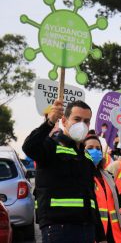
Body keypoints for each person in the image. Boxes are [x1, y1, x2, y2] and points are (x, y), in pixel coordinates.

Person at [22, 100, 97, 243]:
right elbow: (29, 147)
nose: (82, 124)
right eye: (77, 119)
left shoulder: (86, 155)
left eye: (86, 121)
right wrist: (49, 122)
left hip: (87, 227)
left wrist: (99, 234)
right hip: (58, 227)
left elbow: (91, 196)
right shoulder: (51, 146)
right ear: (64, 120)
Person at [84, 134, 121, 243]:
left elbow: (116, 203)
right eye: (90, 148)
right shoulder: (82, 177)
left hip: (116, 233)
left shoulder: (107, 176)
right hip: (97, 236)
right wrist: (100, 238)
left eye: (98, 148)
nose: (95, 151)